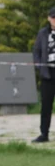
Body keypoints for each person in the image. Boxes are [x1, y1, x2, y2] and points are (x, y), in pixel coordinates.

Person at [32, 7, 55, 143]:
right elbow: (36, 52)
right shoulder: (43, 33)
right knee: (46, 106)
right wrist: (40, 67)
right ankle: (44, 134)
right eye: (53, 17)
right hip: (47, 74)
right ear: (48, 18)